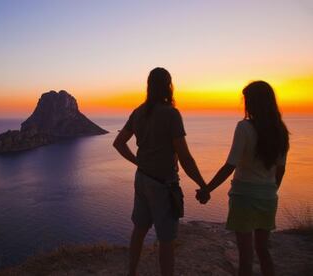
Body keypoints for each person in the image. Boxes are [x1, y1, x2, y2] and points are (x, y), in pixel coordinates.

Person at [113, 67, 208, 276]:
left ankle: (132, 273)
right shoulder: (171, 114)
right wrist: (203, 184)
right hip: (163, 184)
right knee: (166, 240)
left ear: (148, 86)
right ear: (169, 86)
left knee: (139, 229)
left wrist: (138, 161)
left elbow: (119, 143)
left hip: (142, 179)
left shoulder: (138, 112)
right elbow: (185, 158)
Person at [196, 81, 289, 276]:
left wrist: (207, 189)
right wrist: (271, 189)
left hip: (244, 197)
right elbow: (281, 169)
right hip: (268, 197)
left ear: (253, 102)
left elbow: (230, 165)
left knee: (245, 256)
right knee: (263, 251)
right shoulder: (280, 130)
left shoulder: (244, 127)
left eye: (246, 99)